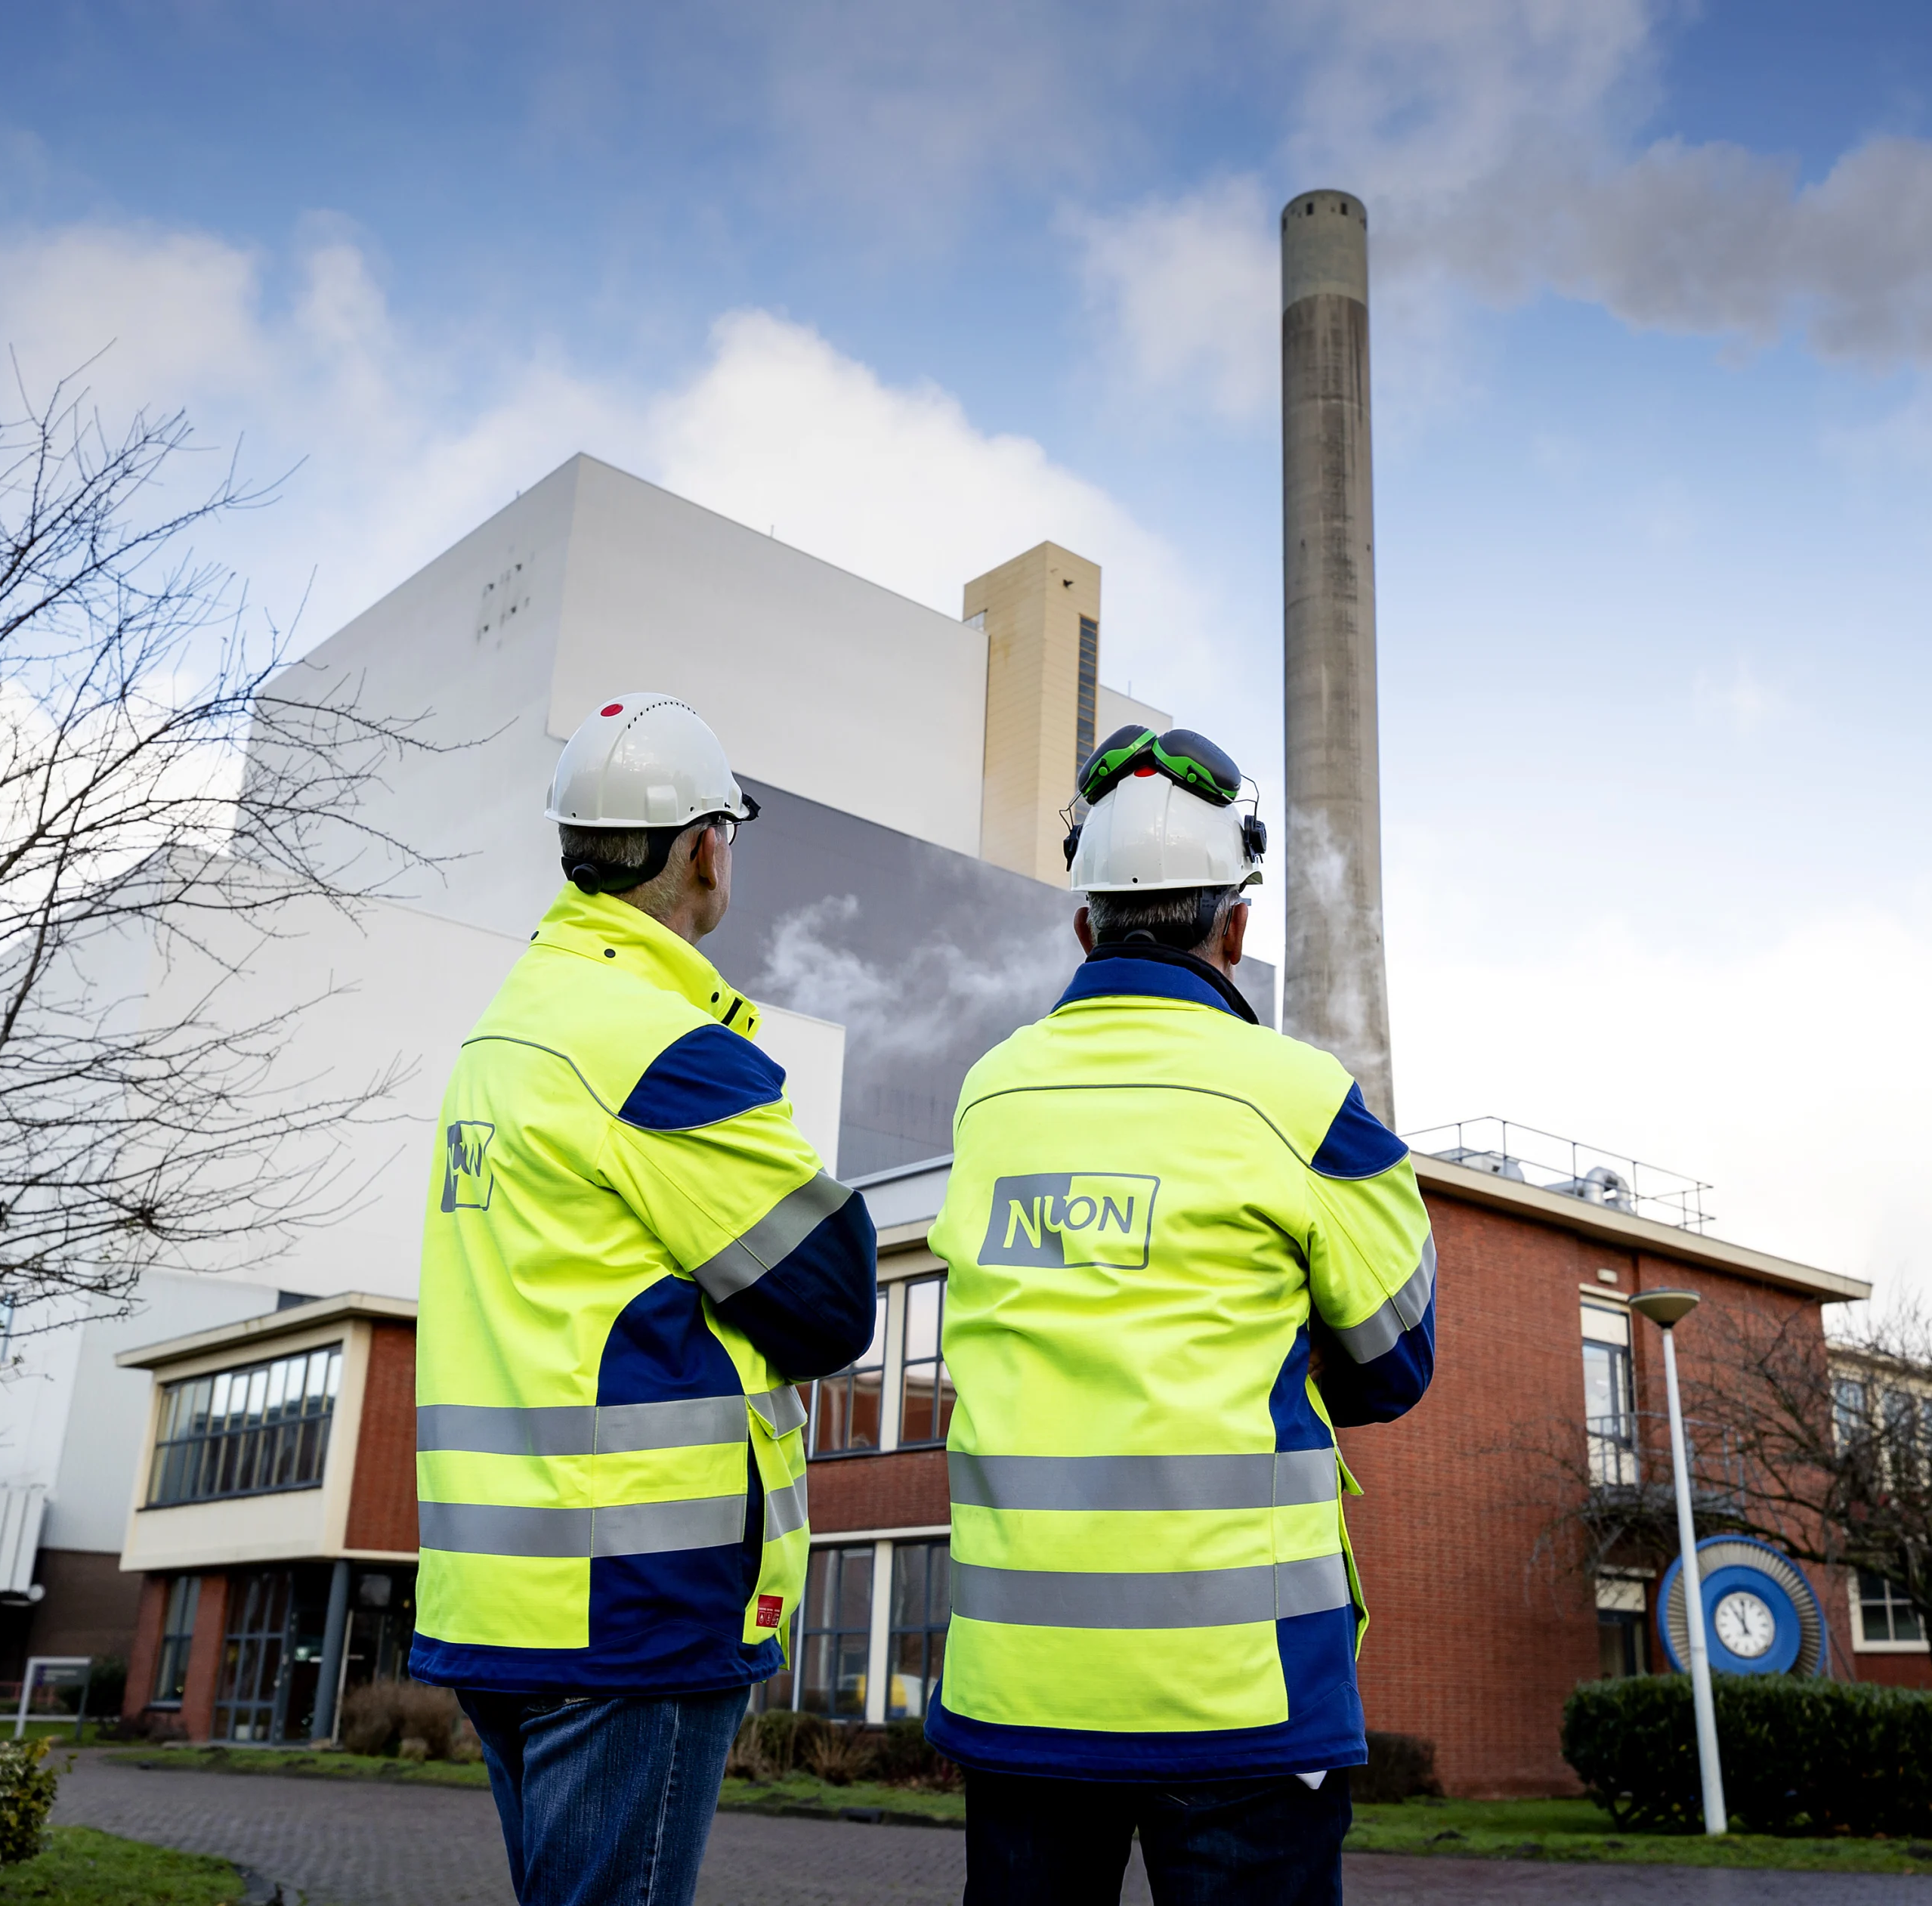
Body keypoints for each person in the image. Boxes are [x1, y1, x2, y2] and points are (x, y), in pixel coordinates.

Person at [926, 724, 1438, 1905]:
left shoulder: (990, 1095)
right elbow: (1393, 1363)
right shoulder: (1305, 1102)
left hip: (1021, 1699)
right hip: (1243, 1702)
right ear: (1238, 929)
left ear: (1083, 923)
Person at [411, 694, 876, 1906]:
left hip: (501, 1600)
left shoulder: (503, 1038)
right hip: (632, 1608)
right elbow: (833, 1302)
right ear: (706, 848)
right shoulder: (660, 1048)